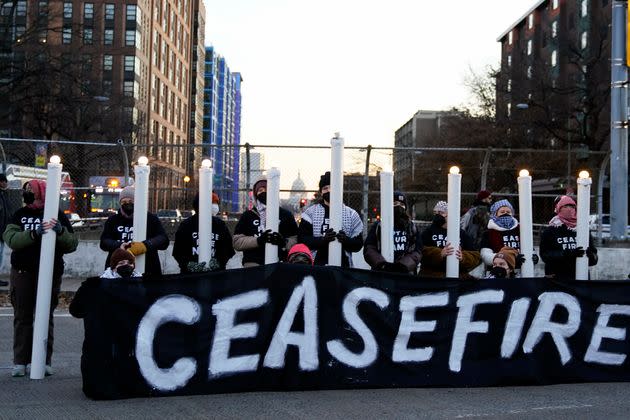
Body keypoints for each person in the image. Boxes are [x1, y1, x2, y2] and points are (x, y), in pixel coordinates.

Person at [2, 180, 78, 377]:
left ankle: (43, 360)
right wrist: (33, 234)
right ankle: (20, 361)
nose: (27, 194)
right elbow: (11, 239)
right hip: (23, 273)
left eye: (31, 191)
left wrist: (60, 231)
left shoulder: (56, 215)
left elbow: (71, 243)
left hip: (50, 272)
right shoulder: (19, 215)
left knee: (45, 316)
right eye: (26, 191)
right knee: (22, 317)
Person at [99, 186, 169, 276]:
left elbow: (163, 240)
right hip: (119, 269)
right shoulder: (113, 220)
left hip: (149, 268)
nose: (127, 204)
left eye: (131, 202)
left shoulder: (150, 219)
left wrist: (145, 245)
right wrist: (119, 245)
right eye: (124, 202)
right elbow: (104, 242)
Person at [298, 172, 363, 267]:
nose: (329, 190)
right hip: (316, 265)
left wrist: (346, 240)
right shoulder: (310, 213)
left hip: (343, 266)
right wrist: (322, 240)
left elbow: (358, 244)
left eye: (332, 187)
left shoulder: (351, 214)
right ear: (321, 192)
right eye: (325, 188)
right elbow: (302, 239)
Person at [233, 178, 299, 267]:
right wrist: (258, 241)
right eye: (260, 190)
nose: (264, 192)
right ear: (255, 195)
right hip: (254, 264)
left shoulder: (285, 215)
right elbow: (237, 242)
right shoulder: (248, 216)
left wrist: (284, 242)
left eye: (267, 189)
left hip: (280, 264)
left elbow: (296, 240)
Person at [173, 192, 235, 273]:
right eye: (212, 202)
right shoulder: (187, 225)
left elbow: (228, 249)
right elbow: (178, 251)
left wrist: (219, 263)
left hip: (216, 276)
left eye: (216, 203)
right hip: (190, 278)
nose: (215, 206)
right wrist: (188, 265)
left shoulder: (219, 225)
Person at [539, 195, 598, 280]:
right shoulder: (550, 230)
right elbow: (545, 255)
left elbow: (594, 259)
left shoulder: (583, 229)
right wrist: (567, 254)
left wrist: (590, 256)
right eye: (565, 206)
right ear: (558, 208)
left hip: (581, 277)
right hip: (557, 279)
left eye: (572, 206)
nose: (569, 209)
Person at [363, 191, 422, 274]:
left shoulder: (411, 227)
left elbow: (417, 251)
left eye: (402, 204)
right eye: (395, 203)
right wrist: (381, 264)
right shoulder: (379, 226)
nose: (398, 206)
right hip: (381, 273)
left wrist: (403, 266)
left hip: (405, 274)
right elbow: (369, 248)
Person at [420, 200, 480, 278]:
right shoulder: (428, 231)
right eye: (435, 213)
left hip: (458, 276)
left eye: (441, 212)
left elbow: (475, 256)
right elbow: (420, 251)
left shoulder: (461, 233)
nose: (437, 215)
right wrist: (439, 253)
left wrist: (463, 257)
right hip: (432, 276)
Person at [479, 199, 538, 274]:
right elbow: (485, 256)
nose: (505, 214)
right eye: (502, 212)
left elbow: (529, 248)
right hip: (498, 272)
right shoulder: (489, 232)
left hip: (522, 270)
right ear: (495, 214)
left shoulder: (521, 230)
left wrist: (533, 256)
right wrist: (508, 259)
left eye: (508, 212)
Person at [1, 173, 20, 287]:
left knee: (1, 255)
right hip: (1, 229)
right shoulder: (3, 195)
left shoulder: (4, 194)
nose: (5, 183)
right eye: (2, 181)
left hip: (2, 229)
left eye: (5, 181)